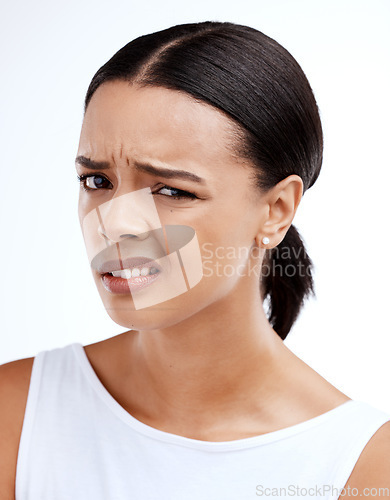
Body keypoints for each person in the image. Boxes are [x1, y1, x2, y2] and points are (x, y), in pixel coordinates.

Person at [1, 21, 389, 500]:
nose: (116, 223)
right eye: (97, 181)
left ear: (276, 210)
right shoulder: (15, 417)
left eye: (171, 190)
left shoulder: (363, 468)